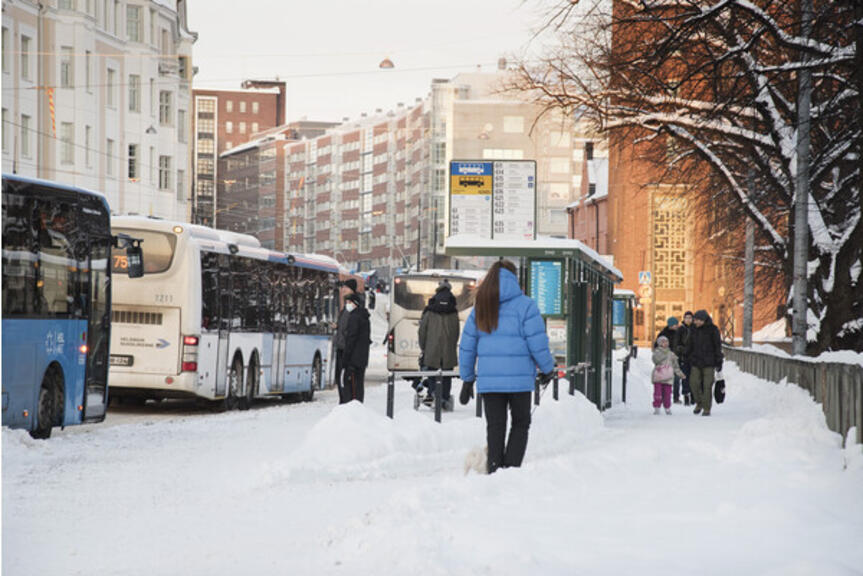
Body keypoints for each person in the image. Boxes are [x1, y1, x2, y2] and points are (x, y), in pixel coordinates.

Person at [458, 260, 555, 474]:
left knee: (495, 427)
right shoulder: (526, 306)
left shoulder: (481, 307)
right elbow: (537, 342)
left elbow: (467, 345)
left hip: (489, 382)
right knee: (520, 423)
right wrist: (547, 368)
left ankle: (494, 470)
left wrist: (467, 378)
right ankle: (511, 470)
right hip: (520, 381)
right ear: (515, 277)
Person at [417, 279, 460, 410]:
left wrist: (424, 348)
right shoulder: (453, 310)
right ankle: (444, 399)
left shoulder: (430, 309)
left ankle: (432, 395)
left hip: (432, 350)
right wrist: (451, 346)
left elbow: (422, 331)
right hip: (448, 351)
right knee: (446, 376)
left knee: (431, 374)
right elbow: (456, 333)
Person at [685, 309, 723, 416]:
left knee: (707, 385)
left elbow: (717, 346)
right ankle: (699, 403)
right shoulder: (692, 330)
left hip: (709, 362)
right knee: (693, 383)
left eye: (697, 320)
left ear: (703, 320)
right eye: (695, 320)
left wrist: (719, 361)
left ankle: (706, 408)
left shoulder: (713, 330)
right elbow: (689, 345)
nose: (695, 322)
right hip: (696, 361)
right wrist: (686, 356)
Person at [334, 279, 363, 401]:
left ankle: (347, 406)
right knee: (340, 380)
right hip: (341, 349)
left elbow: (352, 332)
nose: (343, 290)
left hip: (348, 352)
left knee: (347, 382)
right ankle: (343, 404)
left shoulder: (355, 310)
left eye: (346, 288)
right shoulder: (345, 309)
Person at [341, 292, 370, 403]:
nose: (347, 305)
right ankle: (358, 406)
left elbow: (351, 339)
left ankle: (351, 409)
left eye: (349, 302)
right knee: (359, 385)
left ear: (355, 304)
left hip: (353, 360)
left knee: (350, 387)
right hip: (362, 359)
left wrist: (345, 359)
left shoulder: (354, 317)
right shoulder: (364, 317)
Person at [652, 335, 685, 415]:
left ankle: (667, 407)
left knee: (667, 393)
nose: (665, 343)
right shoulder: (656, 352)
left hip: (668, 377)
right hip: (658, 376)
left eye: (666, 342)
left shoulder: (671, 354)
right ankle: (657, 407)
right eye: (663, 342)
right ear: (659, 343)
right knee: (658, 393)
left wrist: (680, 374)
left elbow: (676, 366)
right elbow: (655, 360)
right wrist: (664, 353)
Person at [674, 311, 694, 405]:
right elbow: (677, 343)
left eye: (690, 318)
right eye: (687, 318)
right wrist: (682, 350)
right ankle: (686, 395)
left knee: (694, 378)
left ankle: (694, 396)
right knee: (685, 378)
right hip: (684, 357)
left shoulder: (696, 329)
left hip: (694, 358)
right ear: (684, 319)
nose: (688, 320)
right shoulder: (680, 330)